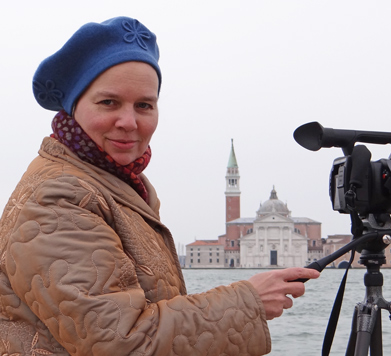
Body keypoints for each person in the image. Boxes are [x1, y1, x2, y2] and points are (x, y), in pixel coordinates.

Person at [0, 17, 319, 356]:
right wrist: (248, 301)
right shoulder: (58, 197)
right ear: (74, 107)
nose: (129, 122)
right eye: (109, 102)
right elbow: (124, 343)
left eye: (144, 105)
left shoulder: (117, 186)